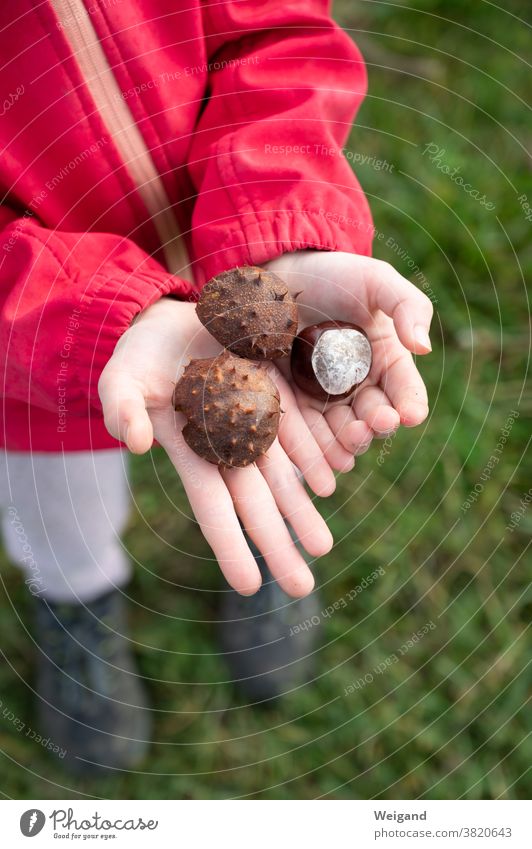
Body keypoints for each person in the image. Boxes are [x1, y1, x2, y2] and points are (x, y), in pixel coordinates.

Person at [0, 0, 432, 774]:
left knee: (277, 457)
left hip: (233, 262)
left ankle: (264, 565)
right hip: (28, 362)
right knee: (56, 512)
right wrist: (100, 318)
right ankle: (75, 605)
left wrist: (283, 230)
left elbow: (278, 33)